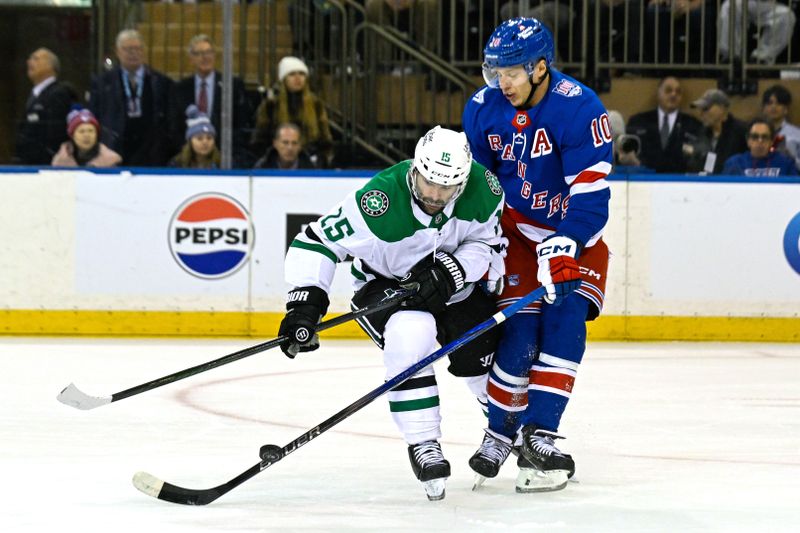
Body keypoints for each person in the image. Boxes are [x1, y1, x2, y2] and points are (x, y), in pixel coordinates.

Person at [278, 125, 505, 501]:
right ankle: (423, 442)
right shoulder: (379, 199)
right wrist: (306, 303)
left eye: (446, 188)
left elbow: (485, 241)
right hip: (384, 283)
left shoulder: (485, 189)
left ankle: (505, 428)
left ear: (462, 183)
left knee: (479, 355)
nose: (434, 195)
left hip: (453, 285)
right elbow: (317, 240)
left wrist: (453, 270)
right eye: (428, 182)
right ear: (415, 168)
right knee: (409, 333)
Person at [462, 17, 612, 493]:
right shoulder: (482, 108)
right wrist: (474, 246)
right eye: (495, 71)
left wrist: (566, 241)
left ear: (541, 67)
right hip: (515, 235)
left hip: (573, 234)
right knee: (519, 326)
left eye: (511, 72)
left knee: (565, 317)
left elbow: (591, 192)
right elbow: (478, 190)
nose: (501, 82)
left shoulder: (580, 108)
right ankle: (501, 431)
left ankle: (540, 434)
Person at [88, 29, 175, 166]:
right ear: (118, 51)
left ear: (144, 50)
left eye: (137, 48)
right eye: (128, 49)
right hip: (114, 151)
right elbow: (95, 116)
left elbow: (169, 121)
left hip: (152, 154)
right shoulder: (102, 83)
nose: (133, 53)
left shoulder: (161, 82)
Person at [172, 34, 251, 167]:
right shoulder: (180, 89)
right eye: (199, 53)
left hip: (225, 157)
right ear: (191, 59)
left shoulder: (232, 85)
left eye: (208, 52)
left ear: (214, 55)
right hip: (190, 161)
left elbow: (241, 123)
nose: (205, 57)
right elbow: (174, 125)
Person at [250, 56, 334, 167]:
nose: (298, 78)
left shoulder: (316, 104)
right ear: (284, 79)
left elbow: (325, 139)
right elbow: (260, 139)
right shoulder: (271, 105)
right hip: (277, 164)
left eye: (301, 74)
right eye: (292, 74)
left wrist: (322, 159)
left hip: (310, 163)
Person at [627, 76, 705, 173]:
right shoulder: (639, 121)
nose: (673, 94)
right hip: (645, 180)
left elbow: (699, 157)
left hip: (680, 182)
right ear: (658, 93)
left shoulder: (693, 125)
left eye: (678, 92)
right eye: (668, 90)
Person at [14, 47, 77, 165]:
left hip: (45, 168)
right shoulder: (35, 94)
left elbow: (55, 134)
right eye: (29, 59)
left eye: (35, 58)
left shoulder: (58, 93)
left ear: (50, 66)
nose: (29, 62)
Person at [690, 88, 748, 174]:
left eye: (706, 108)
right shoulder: (703, 134)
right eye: (700, 109)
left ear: (721, 108)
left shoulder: (741, 131)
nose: (701, 114)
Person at [718, 0, 796, 65]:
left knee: (787, 16)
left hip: (770, 3)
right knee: (729, 6)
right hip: (744, 2)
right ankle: (730, 58)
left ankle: (761, 59)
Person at [722, 118, 799, 176]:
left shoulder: (785, 163)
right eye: (755, 136)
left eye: (764, 137)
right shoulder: (734, 163)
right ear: (748, 140)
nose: (760, 141)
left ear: (771, 141)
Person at [51, 107, 122, 168]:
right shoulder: (59, 162)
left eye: (91, 131)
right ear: (72, 136)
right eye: (81, 131)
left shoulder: (111, 161)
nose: (87, 135)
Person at [169, 105, 220, 169]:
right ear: (190, 141)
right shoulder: (177, 164)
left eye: (209, 138)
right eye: (199, 138)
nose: (205, 142)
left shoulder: (222, 164)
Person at [761, 84, 800, 168]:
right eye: (770, 103)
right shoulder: (755, 134)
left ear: (786, 109)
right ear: (763, 108)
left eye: (778, 103)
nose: (773, 107)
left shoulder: (797, 134)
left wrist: (792, 159)